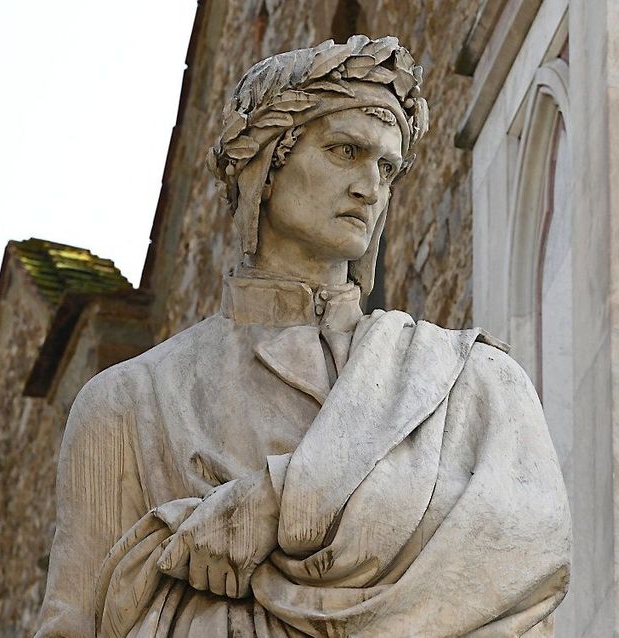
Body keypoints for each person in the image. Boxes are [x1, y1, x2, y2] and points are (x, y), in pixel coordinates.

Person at [36, 35, 571, 637]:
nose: (371, 186)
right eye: (345, 151)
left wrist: (277, 501)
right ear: (266, 164)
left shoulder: (469, 379)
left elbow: (532, 546)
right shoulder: (129, 404)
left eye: (387, 167)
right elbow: (73, 624)